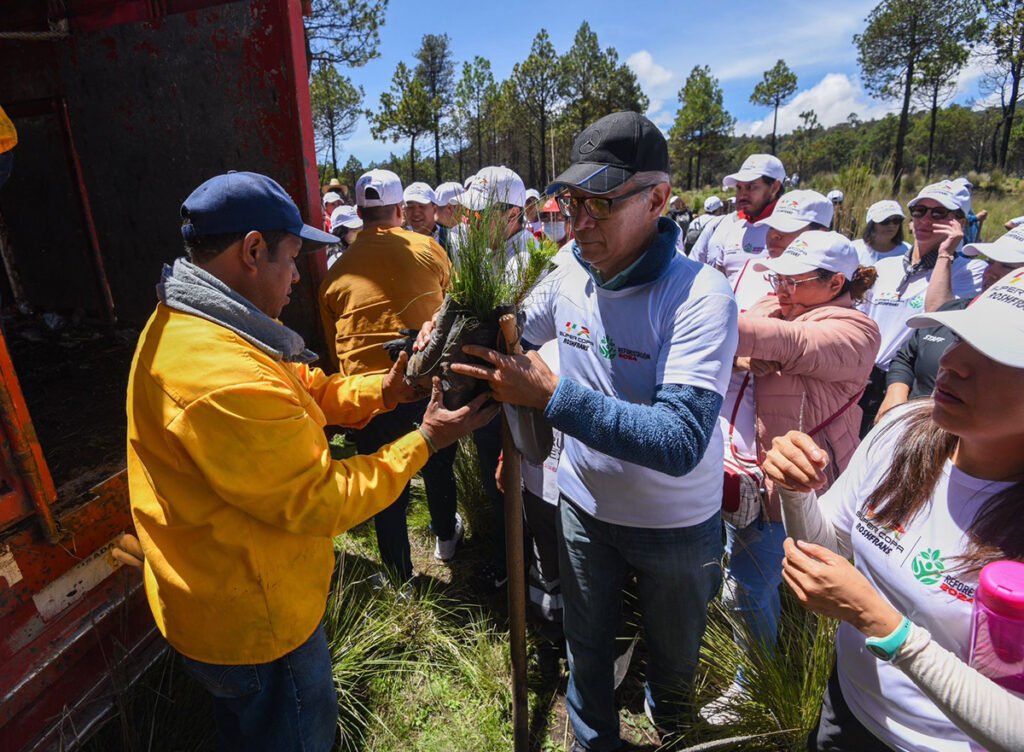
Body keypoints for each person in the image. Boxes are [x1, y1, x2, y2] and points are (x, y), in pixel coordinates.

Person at [126, 171, 496, 752]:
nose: (299, 277)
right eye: (293, 257)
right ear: (252, 250)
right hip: (257, 624)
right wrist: (422, 440)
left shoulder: (199, 326)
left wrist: (384, 391)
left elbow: (301, 387)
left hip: (214, 598)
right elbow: (322, 498)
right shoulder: (222, 379)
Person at [444, 111, 738, 750]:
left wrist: (551, 395)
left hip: (677, 525)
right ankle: (590, 740)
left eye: (600, 204)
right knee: (586, 643)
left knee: (677, 661)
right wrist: (446, 338)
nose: (577, 222)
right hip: (583, 506)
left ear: (657, 198)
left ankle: (671, 729)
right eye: (572, 202)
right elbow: (515, 326)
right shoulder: (571, 272)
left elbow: (679, 440)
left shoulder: (700, 296)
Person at [763, 268, 1024, 752]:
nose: (952, 361)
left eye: (995, 356)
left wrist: (882, 625)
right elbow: (829, 550)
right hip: (847, 712)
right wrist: (798, 491)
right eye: (959, 337)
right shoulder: (903, 430)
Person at [701, 231, 879, 724]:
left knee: (748, 586)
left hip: (797, 485)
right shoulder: (778, 302)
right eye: (777, 276)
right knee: (762, 579)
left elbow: (793, 343)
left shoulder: (856, 330)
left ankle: (754, 681)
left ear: (836, 282)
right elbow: (755, 340)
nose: (779, 288)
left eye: (793, 281)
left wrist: (722, 330)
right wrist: (754, 350)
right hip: (756, 475)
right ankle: (780, 662)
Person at [319, 169, 465, 580]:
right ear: (400, 209)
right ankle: (446, 541)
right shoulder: (429, 248)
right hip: (425, 385)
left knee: (382, 480)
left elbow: (334, 347)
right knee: (438, 461)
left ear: (359, 214)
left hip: (369, 395)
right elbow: (451, 307)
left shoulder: (334, 274)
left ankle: (400, 577)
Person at [855, 180, 985, 436]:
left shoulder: (970, 271)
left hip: (909, 384)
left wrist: (946, 253)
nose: (926, 219)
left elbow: (936, 319)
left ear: (959, 222)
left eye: (939, 214)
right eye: (919, 211)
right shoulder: (887, 267)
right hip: (862, 377)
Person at [877, 226, 1024, 423]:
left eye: (1007, 267)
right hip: (906, 430)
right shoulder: (953, 309)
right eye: (990, 262)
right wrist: (895, 394)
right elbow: (906, 356)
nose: (991, 273)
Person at [731, 189, 833, 309]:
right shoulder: (751, 269)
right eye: (771, 226)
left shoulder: (830, 284)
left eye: (788, 228)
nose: (774, 235)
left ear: (820, 234)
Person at [693, 153, 786, 285]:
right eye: (739, 188)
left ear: (775, 187)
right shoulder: (727, 226)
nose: (742, 195)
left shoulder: (793, 231)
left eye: (751, 187)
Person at [852, 200, 910, 266]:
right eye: (885, 221)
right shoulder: (854, 250)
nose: (891, 225)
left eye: (896, 221)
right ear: (872, 224)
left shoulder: (908, 252)